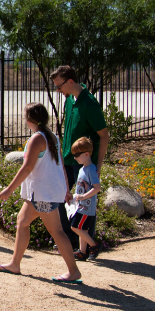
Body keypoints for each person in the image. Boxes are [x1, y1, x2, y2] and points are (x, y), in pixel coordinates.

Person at [0, 103, 82, 284]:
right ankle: (15, 264)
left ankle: (73, 272)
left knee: (57, 231)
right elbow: (60, 165)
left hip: (42, 194)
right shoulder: (52, 137)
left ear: (29, 119)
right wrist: (66, 189)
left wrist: (9, 189)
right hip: (43, 193)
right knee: (22, 222)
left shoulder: (37, 139)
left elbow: (27, 168)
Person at [50, 65, 108, 247]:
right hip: (67, 158)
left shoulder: (90, 104)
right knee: (60, 195)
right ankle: (69, 238)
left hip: (83, 162)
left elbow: (104, 135)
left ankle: (87, 245)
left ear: (70, 81)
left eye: (59, 86)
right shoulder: (69, 100)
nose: (58, 90)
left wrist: (97, 166)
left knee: (85, 202)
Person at [69, 137, 102, 261]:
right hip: (81, 205)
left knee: (75, 227)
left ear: (86, 154)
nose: (75, 157)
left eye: (77, 155)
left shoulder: (91, 169)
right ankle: (82, 252)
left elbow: (97, 187)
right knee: (82, 229)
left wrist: (83, 196)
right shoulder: (82, 169)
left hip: (87, 207)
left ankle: (94, 245)